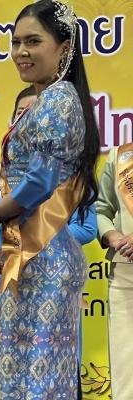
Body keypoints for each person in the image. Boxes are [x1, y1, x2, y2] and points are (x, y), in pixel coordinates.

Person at [0, 0, 100, 398]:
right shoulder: (48, 99)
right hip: (27, 254)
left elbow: (39, 183)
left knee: (40, 381)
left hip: (45, 254)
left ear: (64, 47)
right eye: (16, 42)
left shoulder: (58, 99)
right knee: (21, 377)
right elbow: (33, 177)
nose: (21, 51)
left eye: (33, 41)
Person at [0, 85, 97, 400]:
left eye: (34, 114)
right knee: (6, 373)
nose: (29, 120)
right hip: (7, 274)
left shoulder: (70, 176)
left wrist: (39, 235)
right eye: (20, 113)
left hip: (48, 270)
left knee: (44, 374)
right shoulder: (6, 178)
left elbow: (87, 227)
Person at [96, 145, 133, 399]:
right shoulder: (121, 156)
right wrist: (114, 236)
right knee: (125, 366)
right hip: (125, 274)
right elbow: (101, 209)